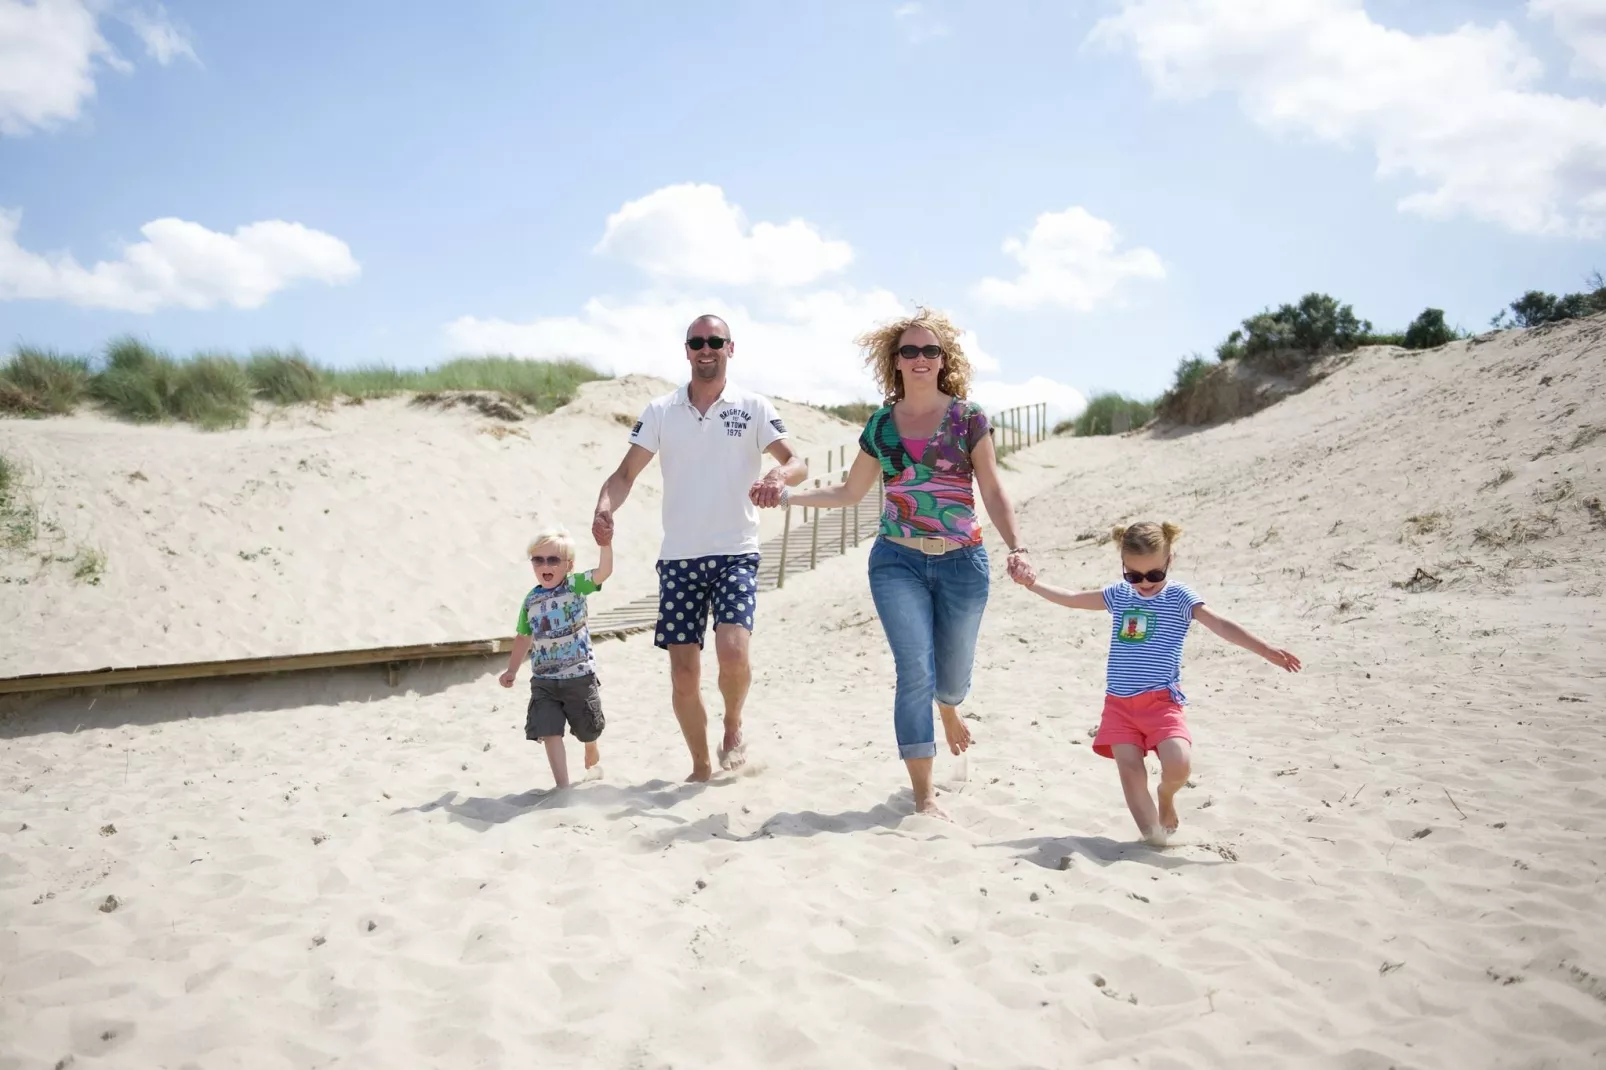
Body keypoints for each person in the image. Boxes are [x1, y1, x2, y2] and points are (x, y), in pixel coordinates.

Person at [764, 308, 1034, 819]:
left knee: (948, 681)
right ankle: (924, 796)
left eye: (929, 351)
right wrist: (786, 499)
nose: (919, 359)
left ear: (943, 359)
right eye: (909, 351)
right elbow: (850, 492)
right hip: (897, 564)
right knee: (914, 671)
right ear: (895, 361)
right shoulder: (882, 426)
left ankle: (949, 707)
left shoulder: (968, 418)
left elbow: (992, 488)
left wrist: (1016, 545)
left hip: (963, 564)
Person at [593, 314, 808, 782]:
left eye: (715, 341)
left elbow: (797, 461)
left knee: (733, 655)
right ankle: (700, 765)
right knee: (684, 675)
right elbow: (624, 474)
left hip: (735, 552)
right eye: (697, 342)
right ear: (686, 349)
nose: (705, 349)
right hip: (678, 559)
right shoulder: (660, 411)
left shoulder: (753, 406)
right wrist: (605, 507)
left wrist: (776, 476)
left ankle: (732, 725)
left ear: (731, 348)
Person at [1022, 521, 1302, 844]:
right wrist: (1033, 584)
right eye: (1134, 575)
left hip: (1161, 703)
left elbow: (1222, 626)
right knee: (1130, 772)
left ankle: (1166, 796)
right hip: (1119, 706)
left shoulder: (1180, 597)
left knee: (1179, 764)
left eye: (1154, 575)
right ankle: (1154, 839)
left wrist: (1265, 650)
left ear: (1170, 560)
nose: (1144, 584)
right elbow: (1072, 598)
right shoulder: (1119, 595)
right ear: (1124, 568)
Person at [498, 527, 614, 789]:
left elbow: (604, 571)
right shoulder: (531, 600)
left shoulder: (575, 585)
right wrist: (512, 670)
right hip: (544, 680)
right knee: (548, 729)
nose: (545, 565)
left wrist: (605, 545)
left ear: (568, 565)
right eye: (538, 560)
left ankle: (590, 746)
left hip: (578, 675)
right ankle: (563, 787)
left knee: (588, 727)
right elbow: (523, 637)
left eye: (553, 560)